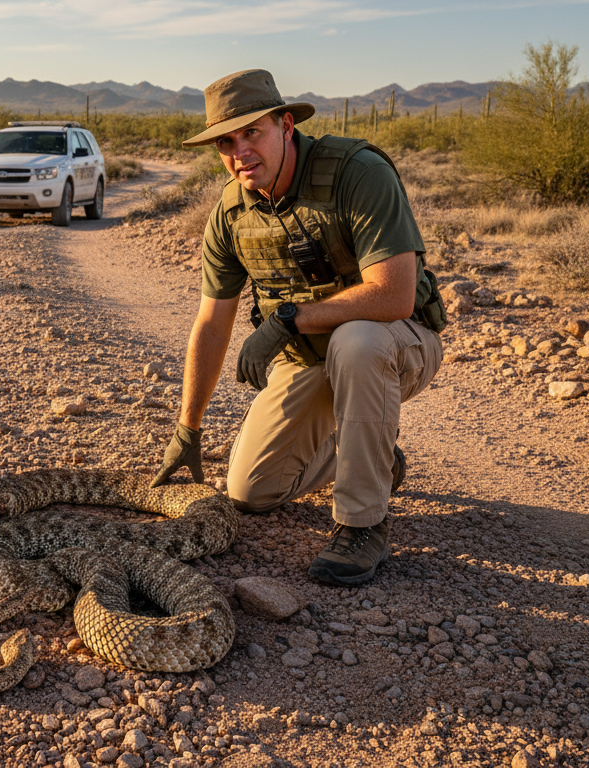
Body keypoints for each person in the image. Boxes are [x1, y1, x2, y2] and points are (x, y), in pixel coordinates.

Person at [150, 70, 447, 586]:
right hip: (308, 359)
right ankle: (372, 455)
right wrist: (188, 428)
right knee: (251, 492)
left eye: (252, 132)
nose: (239, 151)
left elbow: (393, 294)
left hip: (397, 342)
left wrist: (288, 319)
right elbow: (212, 322)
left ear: (286, 125)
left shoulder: (358, 171)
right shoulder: (231, 212)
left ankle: (364, 524)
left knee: (358, 341)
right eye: (226, 141)